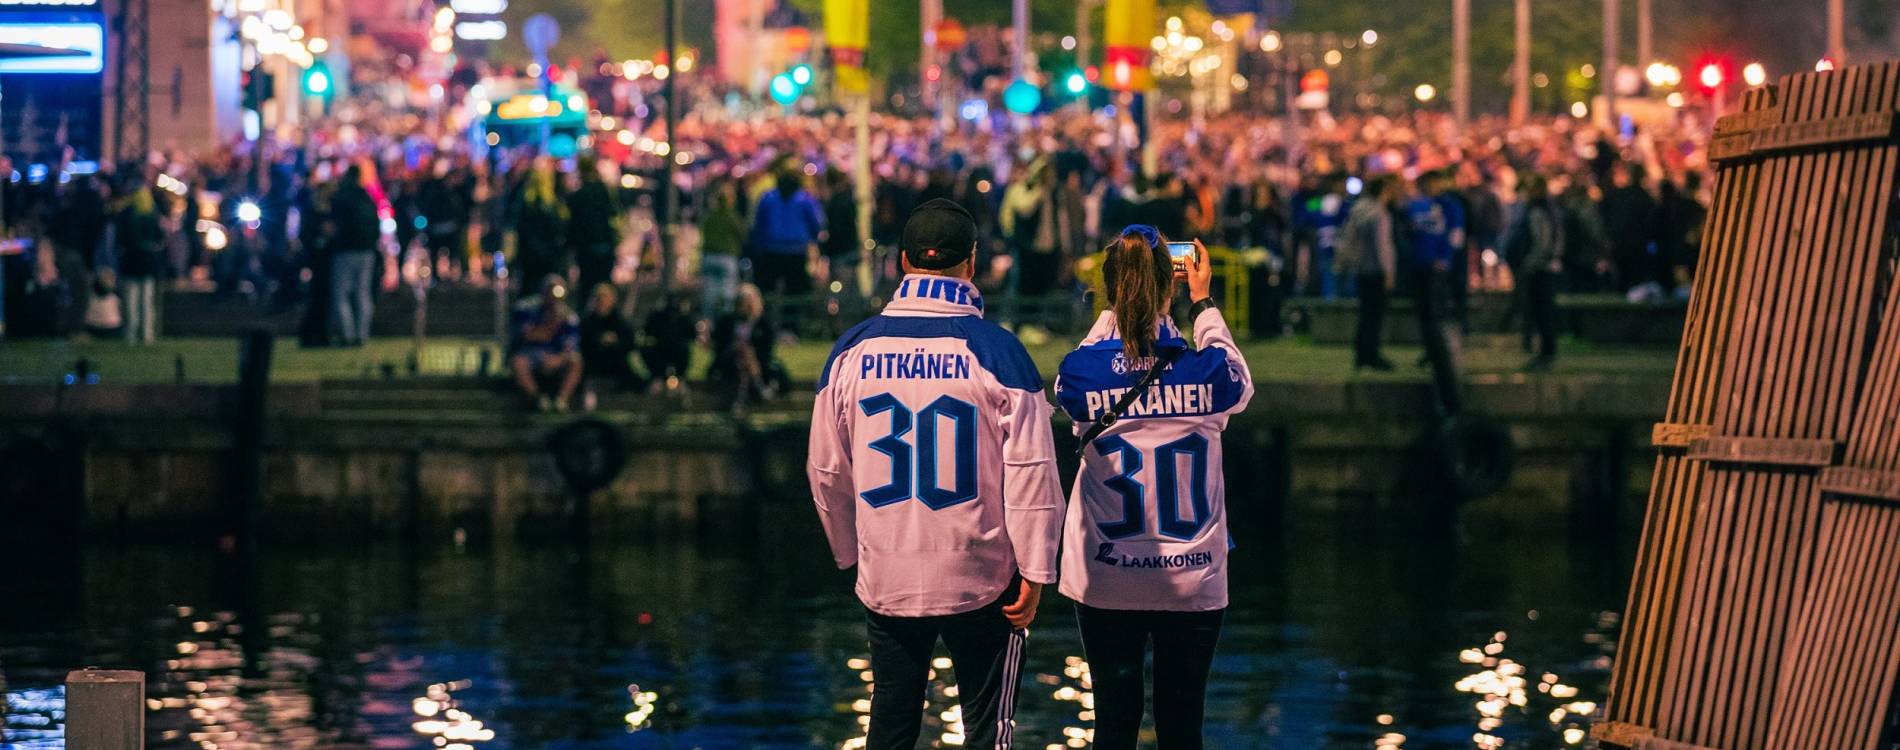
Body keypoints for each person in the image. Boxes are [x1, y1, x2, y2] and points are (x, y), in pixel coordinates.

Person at [807, 198, 1063, 750]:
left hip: (889, 573)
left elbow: (826, 471)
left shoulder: (852, 350)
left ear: (902, 262)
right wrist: (1038, 570)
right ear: (970, 264)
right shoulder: (999, 352)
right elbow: (1033, 474)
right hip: (982, 573)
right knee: (988, 731)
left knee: (891, 723)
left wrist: (850, 554)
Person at [1053, 225, 1253, 750]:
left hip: (1106, 573)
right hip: (1193, 576)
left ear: (1113, 287)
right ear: (1172, 282)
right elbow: (1237, 372)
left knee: (1113, 724)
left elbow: (1070, 377)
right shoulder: (1210, 373)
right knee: (1183, 726)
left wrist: (1113, 312)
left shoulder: (1084, 374)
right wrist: (1203, 300)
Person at [1337, 175, 1400, 371]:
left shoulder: (1358, 211)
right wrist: (1388, 271)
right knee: (1375, 315)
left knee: (1365, 314)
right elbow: (1383, 246)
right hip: (1376, 270)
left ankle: (1362, 354)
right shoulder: (1379, 214)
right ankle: (1372, 354)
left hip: (1361, 268)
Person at [1504, 174, 1565, 371]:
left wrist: (1530, 263)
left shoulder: (1537, 210)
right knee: (1542, 309)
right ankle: (1546, 349)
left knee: (1541, 310)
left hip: (1540, 268)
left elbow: (1542, 242)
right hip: (1547, 266)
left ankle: (1547, 352)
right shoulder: (1550, 209)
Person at [1406, 169, 1465, 371]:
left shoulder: (1449, 205)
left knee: (1435, 311)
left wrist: (1445, 258)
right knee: (1425, 312)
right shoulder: (1415, 205)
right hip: (1418, 264)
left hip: (1437, 267)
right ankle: (1431, 351)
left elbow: (1456, 234)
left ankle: (1438, 353)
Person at [710, 283, 790, 413]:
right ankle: (758, 387)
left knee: (747, 356)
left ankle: (741, 399)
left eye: (746, 302)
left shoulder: (763, 324)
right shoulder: (727, 321)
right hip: (729, 360)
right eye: (740, 302)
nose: (742, 306)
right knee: (743, 355)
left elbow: (766, 350)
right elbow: (718, 345)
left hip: (756, 361)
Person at [508, 275, 583, 411]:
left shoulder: (568, 316)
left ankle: (562, 400)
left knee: (576, 360)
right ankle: (538, 399)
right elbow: (527, 335)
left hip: (556, 354)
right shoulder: (526, 308)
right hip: (530, 353)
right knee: (518, 362)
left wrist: (558, 358)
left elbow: (571, 344)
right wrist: (553, 324)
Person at [328, 164, 381, 346]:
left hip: (346, 250)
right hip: (366, 250)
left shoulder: (342, 197)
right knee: (363, 293)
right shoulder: (367, 197)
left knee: (341, 294)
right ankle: (362, 334)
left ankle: (347, 334)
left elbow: (333, 225)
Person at [748, 169, 824, 297]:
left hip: (770, 250)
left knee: (767, 290)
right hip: (797, 251)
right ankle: (793, 316)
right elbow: (816, 224)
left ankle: (768, 314)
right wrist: (814, 240)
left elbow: (758, 224)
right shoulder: (805, 200)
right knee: (796, 292)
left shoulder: (768, 198)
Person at [112, 177, 165, 345]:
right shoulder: (152, 212)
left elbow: (119, 239)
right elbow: (160, 237)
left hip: (130, 260)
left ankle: (130, 334)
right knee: (146, 300)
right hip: (148, 261)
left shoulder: (126, 213)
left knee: (130, 299)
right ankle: (147, 334)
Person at [568, 155, 622, 296]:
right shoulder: (604, 191)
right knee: (605, 286)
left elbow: (574, 225)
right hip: (605, 245)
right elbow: (613, 215)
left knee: (587, 287)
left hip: (586, 248)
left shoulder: (578, 195)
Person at [579, 282, 643, 395]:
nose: (603, 301)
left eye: (606, 298)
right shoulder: (587, 321)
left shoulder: (619, 321)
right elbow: (583, 342)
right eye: (599, 298)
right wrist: (599, 340)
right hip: (593, 360)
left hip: (616, 360)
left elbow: (629, 342)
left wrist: (615, 341)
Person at [698, 178, 746, 317]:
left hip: (709, 256)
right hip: (727, 257)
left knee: (709, 293)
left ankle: (709, 322)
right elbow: (742, 235)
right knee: (727, 294)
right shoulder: (733, 217)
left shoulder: (709, 217)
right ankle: (725, 324)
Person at [641, 292, 696, 390]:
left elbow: (691, 335)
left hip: (678, 357)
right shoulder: (658, 318)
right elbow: (648, 333)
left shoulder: (683, 319)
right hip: (660, 356)